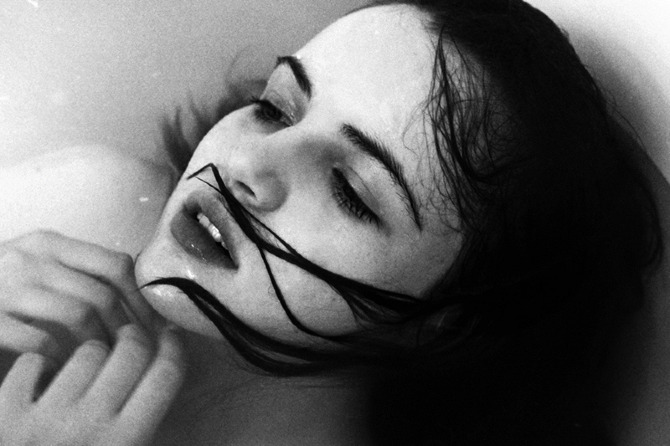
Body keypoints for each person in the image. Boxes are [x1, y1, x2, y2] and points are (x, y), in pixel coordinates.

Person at [0, 0, 661, 444]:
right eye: (276, 109)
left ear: (446, 319)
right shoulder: (83, 211)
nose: (245, 163)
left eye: (348, 191)